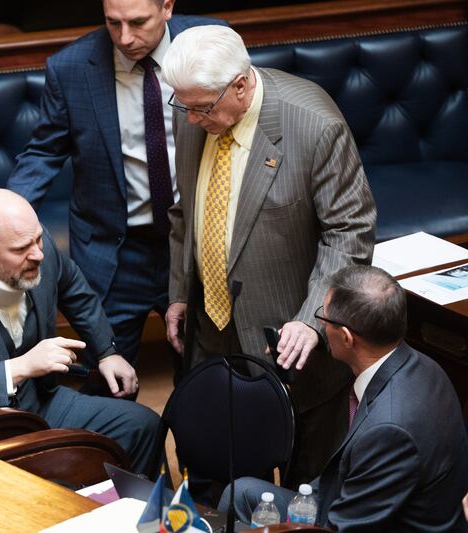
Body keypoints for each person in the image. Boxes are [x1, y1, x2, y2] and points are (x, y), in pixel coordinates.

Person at [160, 25, 376, 485]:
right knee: (212, 475)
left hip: (291, 342)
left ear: (240, 84)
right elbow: (187, 211)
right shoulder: (193, 109)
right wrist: (180, 292)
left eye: (202, 107)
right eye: (184, 106)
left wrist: (312, 318)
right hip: (210, 332)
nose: (191, 119)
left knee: (304, 491)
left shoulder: (314, 124)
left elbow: (349, 233)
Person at [6, 0, 226, 369]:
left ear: (167, 7)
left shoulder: (211, 42)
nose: (125, 38)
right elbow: (43, 154)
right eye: (113, 23)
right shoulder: (72, 68)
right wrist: (4, 212)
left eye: (138, 22)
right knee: (108, 376)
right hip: (115, 251)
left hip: (195, 242)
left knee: (203, 377)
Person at [0, 189, 163, 477]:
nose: (38, 253)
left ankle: (138, 519)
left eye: (37, 239)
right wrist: (20, 367)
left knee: (145, 426)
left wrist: (107, 352)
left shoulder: (35, 245)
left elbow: (72, 287)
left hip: (41, 402)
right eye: (22, 249)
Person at [220, 265, 468, 532]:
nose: (321, 327)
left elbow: (344, 528)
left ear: (347, 338)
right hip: (359, 499)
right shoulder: (426, 366)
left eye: (323, 318)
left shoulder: (389, 431)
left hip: (366, 520)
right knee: (241, 493)